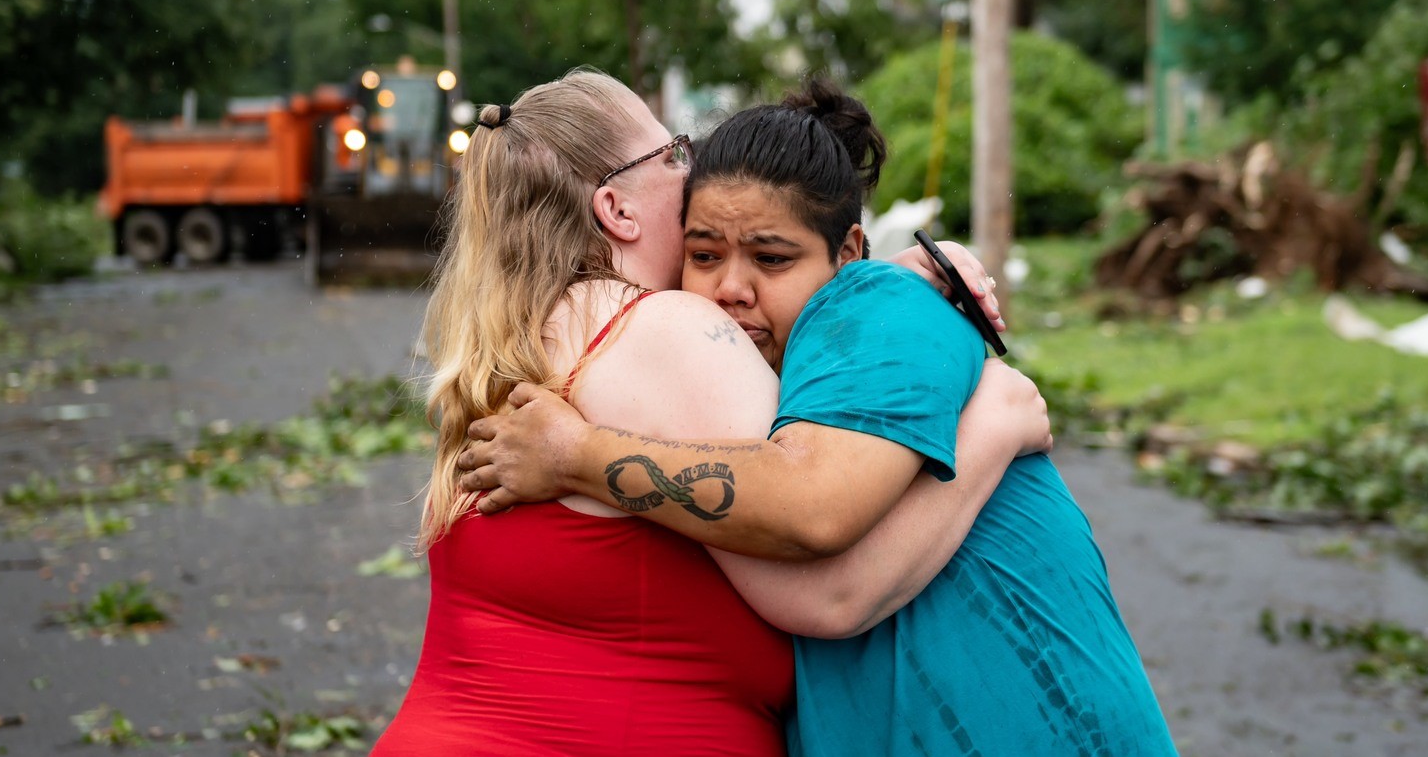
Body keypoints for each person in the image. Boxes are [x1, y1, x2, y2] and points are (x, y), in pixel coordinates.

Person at [458, 78, 1177, 756]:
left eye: (771, 258)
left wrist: (577, 453)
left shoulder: (872, 309)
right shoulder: (805, 330)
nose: (732, 288)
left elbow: (818, 534)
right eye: (703, 252)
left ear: (847, 258)